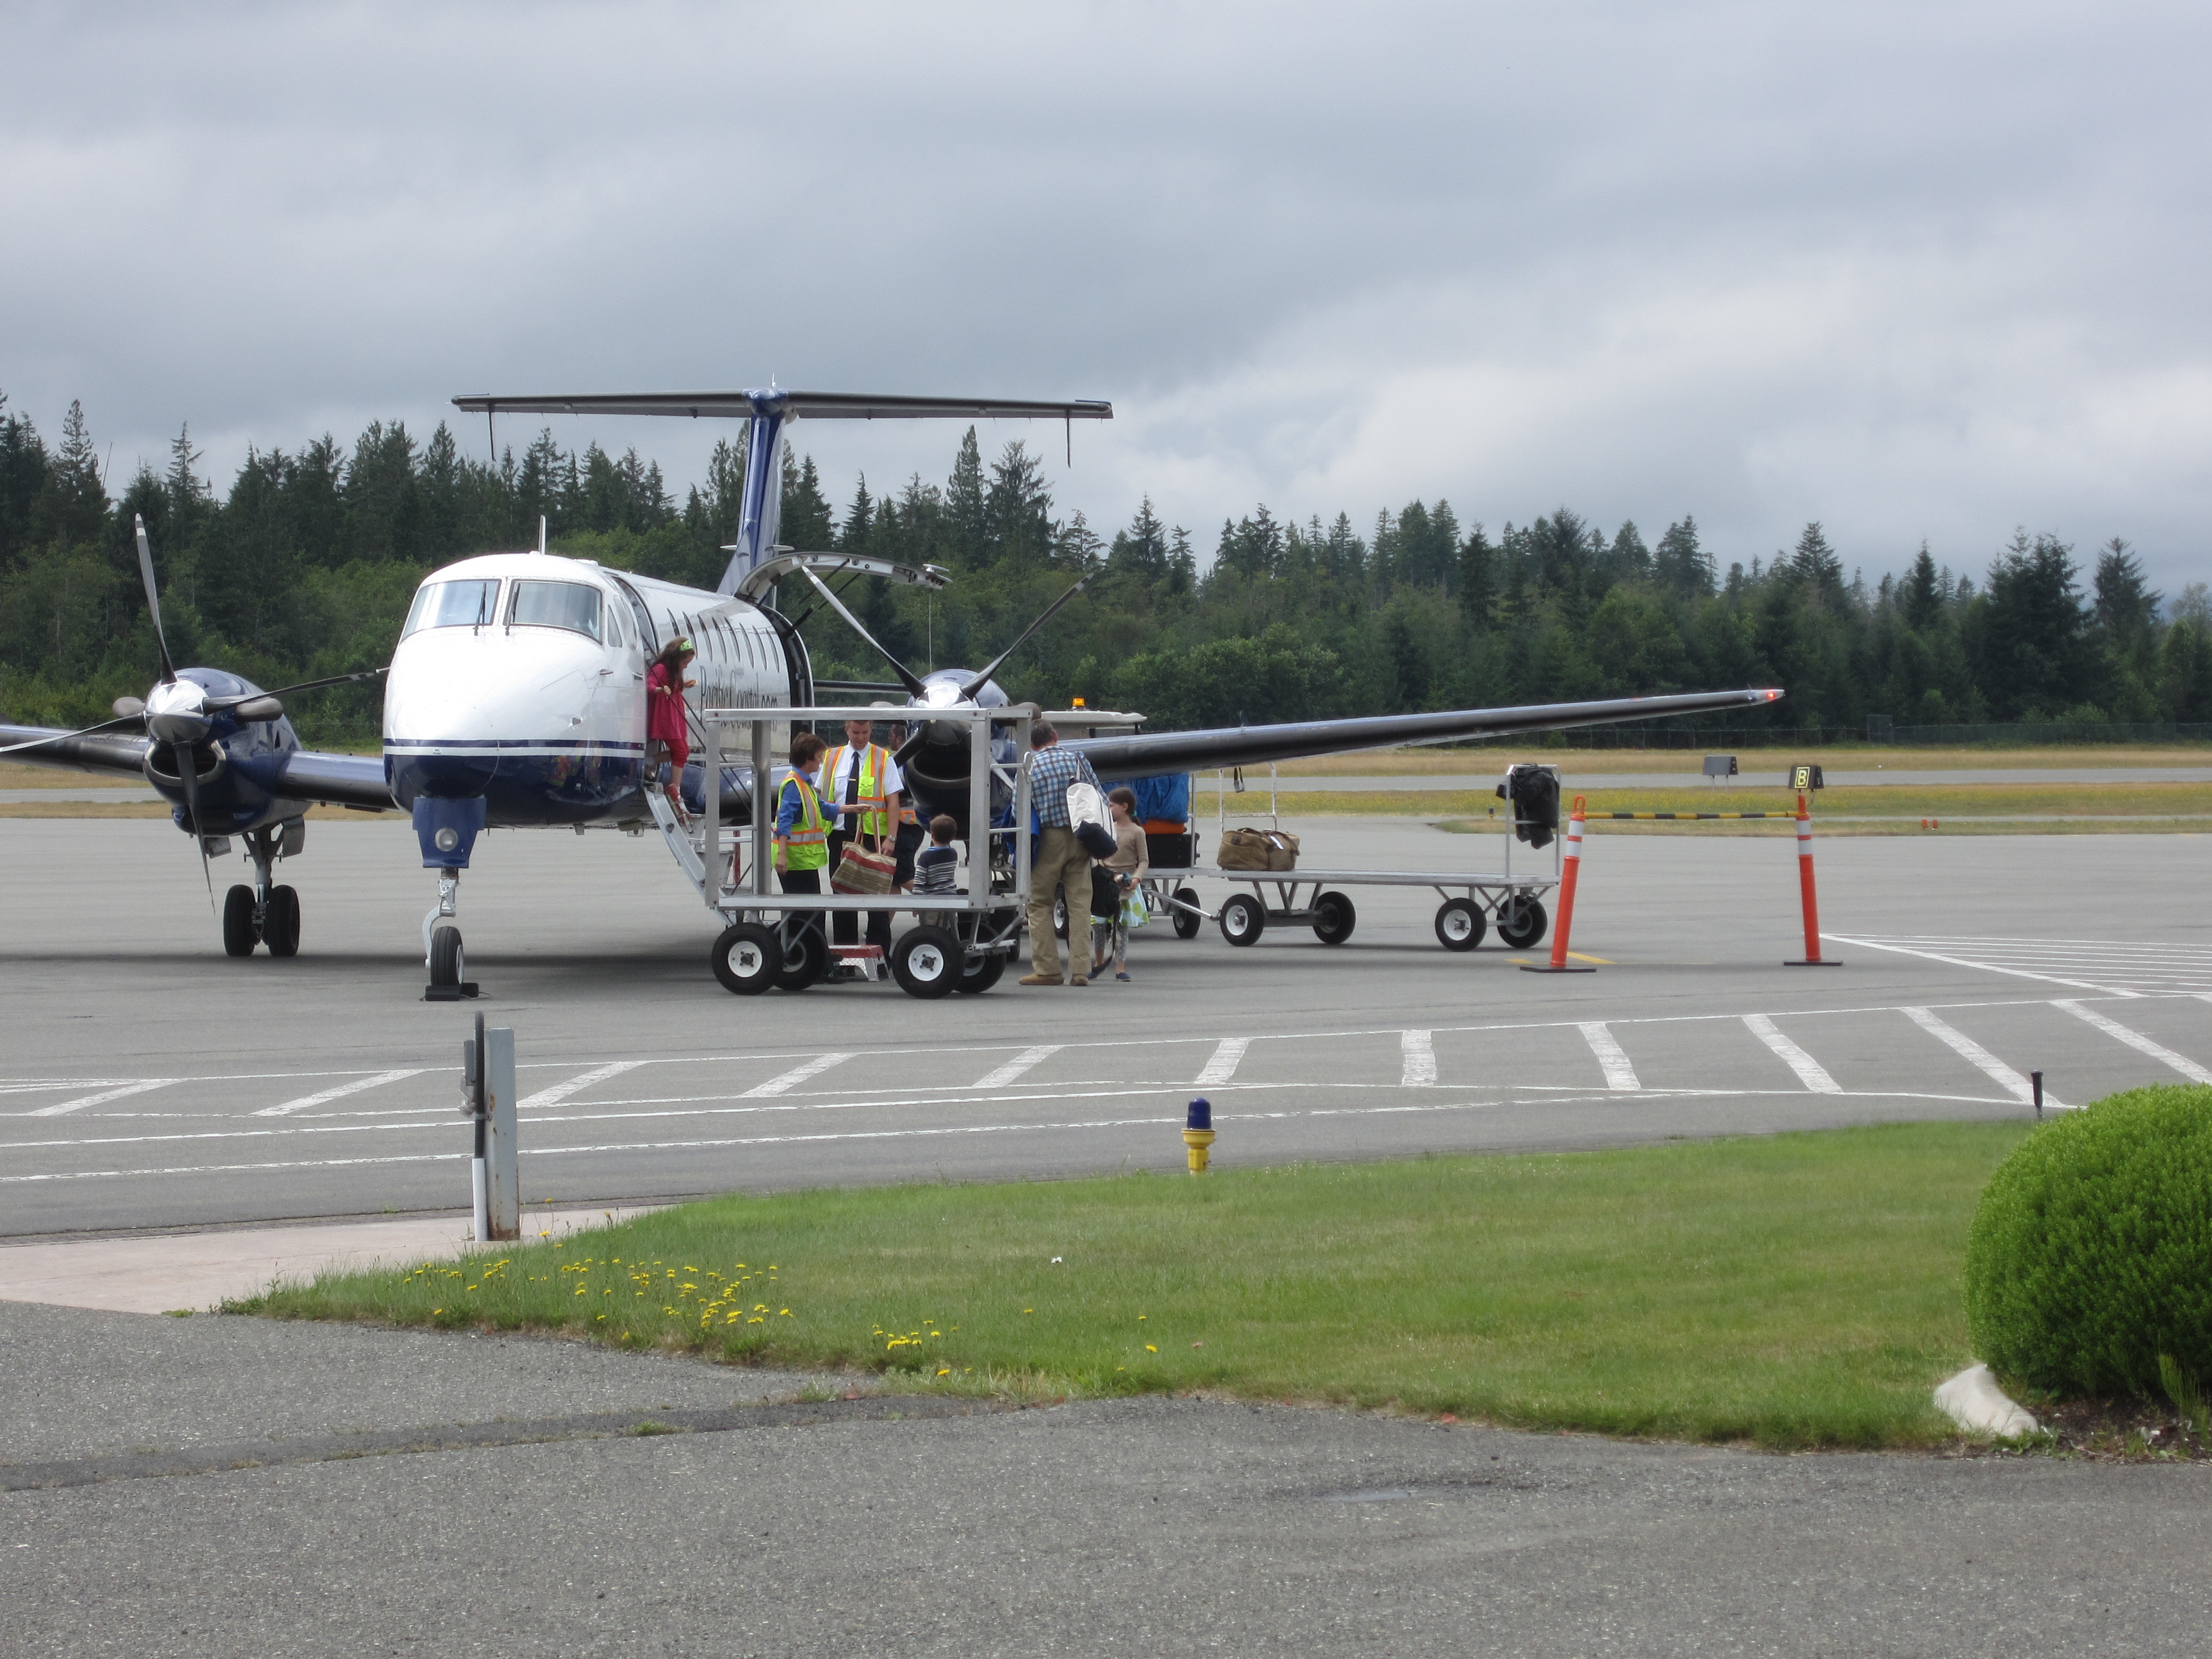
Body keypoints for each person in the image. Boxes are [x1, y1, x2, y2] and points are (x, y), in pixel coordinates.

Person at [1021, 719, 1106, 986]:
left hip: (1048, 838)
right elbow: (1099, 796)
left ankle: (1048, 970)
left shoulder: (1030, 766)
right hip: (1081, 836)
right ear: (1056, 736)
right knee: (1080, 906)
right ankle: (1080, 970)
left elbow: (1018, 808)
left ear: (1032, 744)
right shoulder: (1078, 760)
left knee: (1039, 904)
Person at [820, 711, 903, 951]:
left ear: (871, 730)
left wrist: (891, 838)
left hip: (873, 839)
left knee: (877, 899)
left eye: (865, 732)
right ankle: (845, 955)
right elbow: (821, 798)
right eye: (856, 732)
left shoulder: (883, 758)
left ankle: (879, 954)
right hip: (840, 837)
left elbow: (893, 802)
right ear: (847, 729)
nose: (860, 737)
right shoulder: (832, 757)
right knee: (842, 897)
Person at [771, 732, 830, 951]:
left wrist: (851, 809)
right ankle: (811, 957)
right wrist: (782, 855)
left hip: (804, 861)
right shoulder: (794, 786)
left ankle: (814, 957)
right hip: (795, 862)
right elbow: (784, 822)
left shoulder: (804, 784)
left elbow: (824, 809)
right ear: (808, 759)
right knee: (808, 914)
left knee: (811, 912)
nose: (821, 761)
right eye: (819, 757)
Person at [1092, 786, 1151, 983]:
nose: (1108, 809)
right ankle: (1098, 964)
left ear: (1124, 807)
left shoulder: (1137, 832)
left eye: (1111, 805)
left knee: (1121, 928)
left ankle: (1120, 968)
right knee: (1099, 925)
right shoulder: (1107, 828)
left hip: (1125, 886)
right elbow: (1098, 856)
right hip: (1106, 882)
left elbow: (1144, 860)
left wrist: (1136, 878)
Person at [644, 638, 696, 818]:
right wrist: (660, 690)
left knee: (682, 751)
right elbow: (650, 684)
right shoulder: (661, 669)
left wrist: (683, 684)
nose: (685, 667)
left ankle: (651, 761)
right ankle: (675, 791)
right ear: (676, 659)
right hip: (666, 716)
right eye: (685, 663)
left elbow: (672, 687)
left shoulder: (673, 672)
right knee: (681, 752)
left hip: (673, 715)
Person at [913, 813, 961, 897]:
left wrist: (917, 899)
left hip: (933, 898)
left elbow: (919, 881)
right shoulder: (953, 853)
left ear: (932, 835)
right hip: (951, 895)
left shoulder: (926, 856)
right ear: (953, 837)